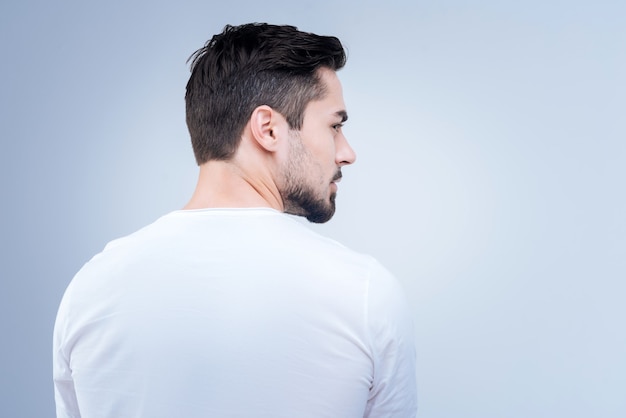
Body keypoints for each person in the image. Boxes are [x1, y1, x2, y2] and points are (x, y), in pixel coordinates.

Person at [53, 23, 417, 417]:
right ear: (268, 129)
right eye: (334, 126)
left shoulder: (89, 290)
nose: (346, 153)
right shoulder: (364, 294)